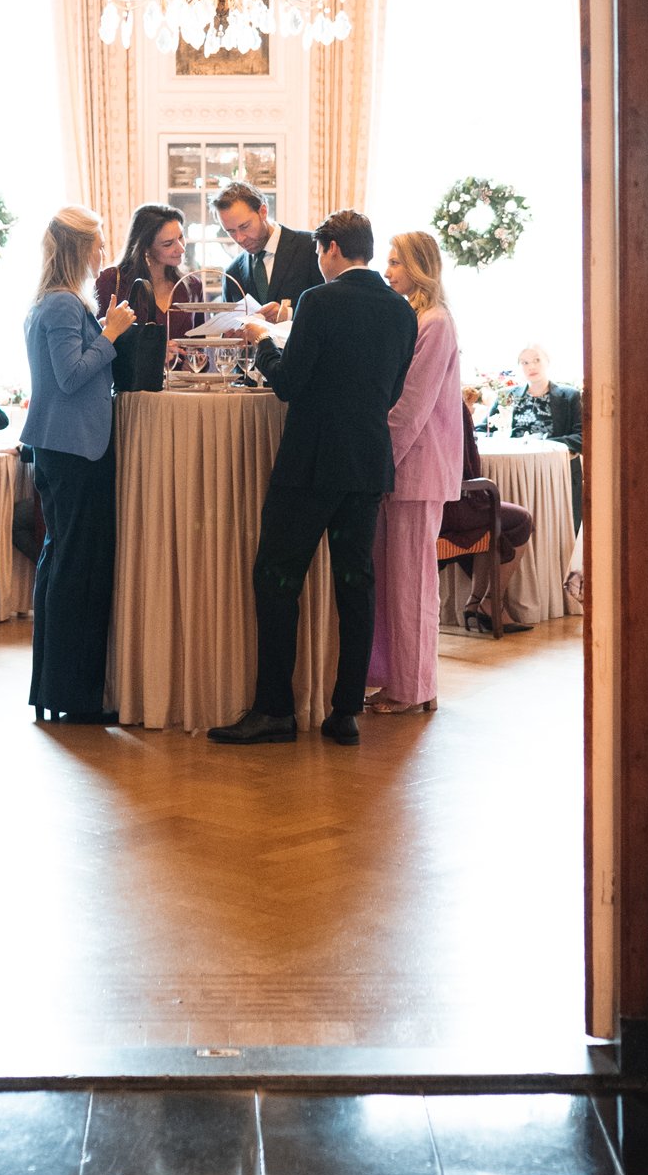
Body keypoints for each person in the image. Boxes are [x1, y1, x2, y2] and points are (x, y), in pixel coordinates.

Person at [208, 210, 417, 749]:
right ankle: (344, 711)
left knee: (276, 578)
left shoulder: (318, 301)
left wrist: (262, 341)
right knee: (355, 585)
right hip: (367, 463)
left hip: (311, 464)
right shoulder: (401, 310)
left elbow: (289, 386)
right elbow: (391, 392)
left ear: (328, 249)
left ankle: (275, 709)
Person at [21, 205, 134, 722]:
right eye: (98, 243)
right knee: (78, 570)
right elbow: (71, 376)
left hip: (60, 446)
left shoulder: (50, 302)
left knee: (60, 563)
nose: (103, 252)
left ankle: (56, 690)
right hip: (75, 449)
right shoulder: (65, 306)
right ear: (79, 249)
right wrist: (111, 334)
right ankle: (74, 696)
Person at [366, 231, 464, 714]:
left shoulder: (436, 323)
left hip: (416, 466)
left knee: (412, 583)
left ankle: (411, 688)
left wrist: (381, 458)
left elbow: (412, 405)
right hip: (404, 464)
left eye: (395, 263)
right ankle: (404, 679)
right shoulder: (415, 318)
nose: (388, 271)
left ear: (419, 267)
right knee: (395, 581)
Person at [443, 402, 534, 633]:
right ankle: (491, 603)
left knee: (493, 521)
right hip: (448, 505)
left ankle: (476, 601)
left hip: (427, 504)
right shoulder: (450, 401)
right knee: (520, 519)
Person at [93, 203, 205, 347]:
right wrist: (155, 355)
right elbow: (98, 343)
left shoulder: (193, 285)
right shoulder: (111, 281)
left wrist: (192, 361)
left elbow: (200, 346)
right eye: (168, 244)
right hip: (130, 370)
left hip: (181, 371)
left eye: (181, 237)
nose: (181, 248)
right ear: (145, 248)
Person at [214, 179, 322, 316]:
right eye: (231, 231)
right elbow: (229, 328)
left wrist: (289, 314)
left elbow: (332, 309)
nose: (239, 238)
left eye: (245, 226)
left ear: (263, 212)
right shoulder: (232, 273)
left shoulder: (312, 247)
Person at [511, 341, 584, 532]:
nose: (531, 367)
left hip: (556, 474)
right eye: (524, 363)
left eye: (536, 360)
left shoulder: (569, 396)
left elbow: (582, 437)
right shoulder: (510, 396)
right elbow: (484, 429)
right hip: (516, 474)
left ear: (547, 361)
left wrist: (542, 445)